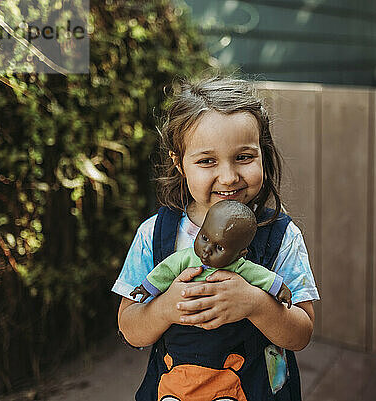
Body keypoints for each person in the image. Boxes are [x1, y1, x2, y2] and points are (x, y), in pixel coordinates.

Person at [112, 76, 320, 401]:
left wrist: (255, 304)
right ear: (178, 163)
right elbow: (130, 328)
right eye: (207, 161)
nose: (228, 176)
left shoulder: (282, 236)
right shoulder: (154, 234)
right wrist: (165, 308)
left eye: (244, 157)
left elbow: (301, 333)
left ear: (262, 154)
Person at [129, 200, 292, 308]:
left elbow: (262, 276)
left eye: (219, 248)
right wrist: (147, 288)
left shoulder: (240, 267)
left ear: (240, 254)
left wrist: (279, 289)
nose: (207, 249)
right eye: (204, 238)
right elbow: (166, 270)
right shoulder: (186, 258)